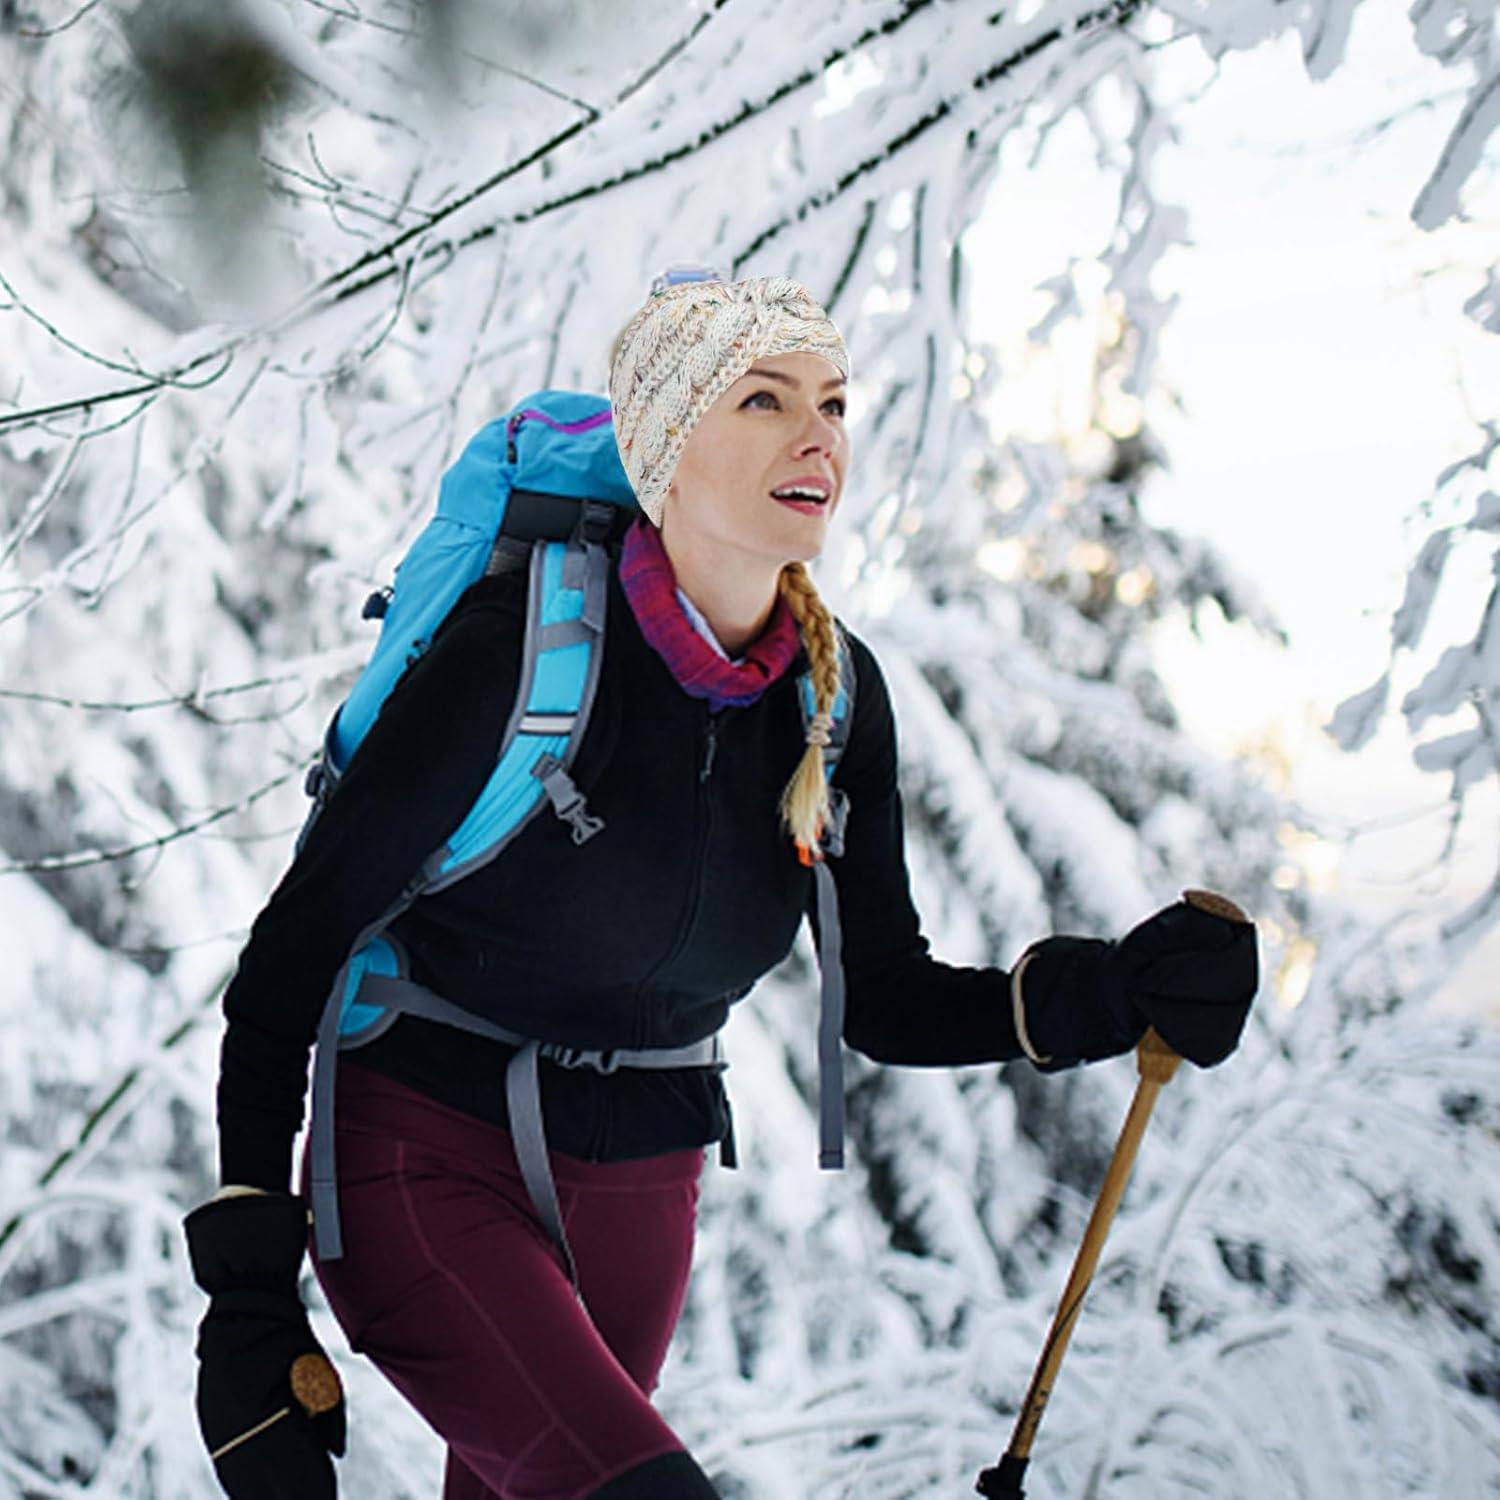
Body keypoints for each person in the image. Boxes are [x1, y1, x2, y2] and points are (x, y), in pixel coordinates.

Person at [182, 275, 1259, 1500]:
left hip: (643, 1185)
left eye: (835, 402)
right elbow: (290, 956)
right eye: (764, 399)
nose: (818, 436)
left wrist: (1110, 995)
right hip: (425, 1159)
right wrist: (248, 1296)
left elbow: (885, 998)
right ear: (666, 451)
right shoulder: (516, 658)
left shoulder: (834, 702)